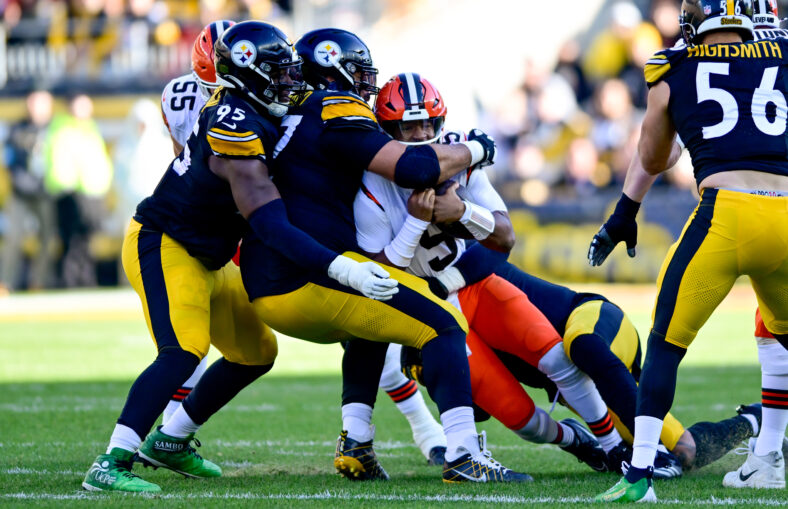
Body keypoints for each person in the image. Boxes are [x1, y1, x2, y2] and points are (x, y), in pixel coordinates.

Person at [83, 21, 390, 493]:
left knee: (255, 352)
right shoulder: (234, 121)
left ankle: (170, 441)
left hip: (210, 252)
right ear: (249, 73)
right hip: (167, 241)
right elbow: (266, 220)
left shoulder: (261, 110)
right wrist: (337, 265)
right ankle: (112, 460)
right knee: (183, 351)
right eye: (280, 71)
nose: (291, 80)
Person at [238, 28, 528, 484]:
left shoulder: (293, 115)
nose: (366, 83)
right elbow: (416, 167)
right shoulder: (334, 108)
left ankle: (356, 441)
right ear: (335, 71)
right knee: (444, 324)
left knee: (368, 326)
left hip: (269, 282)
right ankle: (463, 454)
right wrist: (478, 148)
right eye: (358, 71)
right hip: (312, 274)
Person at [355, 73, 621, 473]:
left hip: (476, 286)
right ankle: (573, 439)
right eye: (408, 127)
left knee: (555, 356)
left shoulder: (458, 161)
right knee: (521, 417)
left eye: (428, 124)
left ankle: (616, 445)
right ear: (388, 131)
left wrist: (461, 211)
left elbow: (504, 235)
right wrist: (414, 222)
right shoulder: (372, 184)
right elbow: (384, 275)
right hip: (429, 309)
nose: (420, 134)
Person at [592, 1, 788, 501]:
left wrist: (624, 211)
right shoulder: (782, 53)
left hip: (725, 215)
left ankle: (639, 478)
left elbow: (655, 156)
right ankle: (769, 457)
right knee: (782, 338)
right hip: (785, 214)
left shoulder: (672, 67)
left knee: (665, 343)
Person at [157, 19, 234, 425]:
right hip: (207, 218)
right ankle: (171, 430)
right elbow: (183, 162)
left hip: (245, 212)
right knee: (190, 333)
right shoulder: (177, 95)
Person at [1, 90, 56, 291]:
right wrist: (24, 182)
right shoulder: (17, 129)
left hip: (45, 192)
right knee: (13, 238)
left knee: (46, 237)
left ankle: (39, 282)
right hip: (20, 192)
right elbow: (10, 160)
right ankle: (6, 282)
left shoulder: (55, 128)